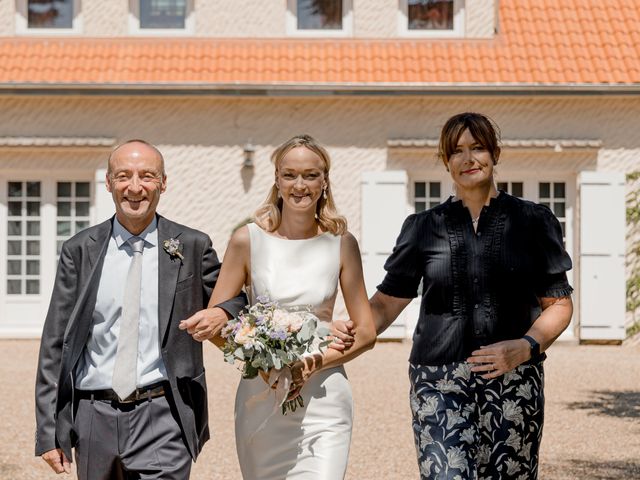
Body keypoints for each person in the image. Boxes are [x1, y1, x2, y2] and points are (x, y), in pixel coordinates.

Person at [333, 112, 574, 479]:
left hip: (514, 379)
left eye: (477, 147)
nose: (468, 158)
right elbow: (386, 303)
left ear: (494, 153)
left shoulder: (534, 221)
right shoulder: (422, 227)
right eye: (457, 150)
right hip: (438, 381)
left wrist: (526, 346)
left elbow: (558, 304)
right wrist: (348, 330)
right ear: (446, 161)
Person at [35, 140, 246, 479]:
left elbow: (237, 299)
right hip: (92, 417)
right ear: (108, 183)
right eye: (123, 176)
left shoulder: (192, 245)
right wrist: (47, 430)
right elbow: (55, 344)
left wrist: (221, 313)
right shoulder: (79, 250)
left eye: (147, 176)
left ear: (163, 183)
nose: (135, 187)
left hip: (164, 413)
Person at [180, 134, 377, 479]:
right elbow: (217, 326)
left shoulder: (342, 245)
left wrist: (310, 365)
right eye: (290, 175)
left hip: (324, 399)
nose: (300, 185)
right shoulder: (247, 240)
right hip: (262, 394)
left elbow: (367, 333)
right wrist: (260, 363)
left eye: (310, 175)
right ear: (276, 179)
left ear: (325, 181)